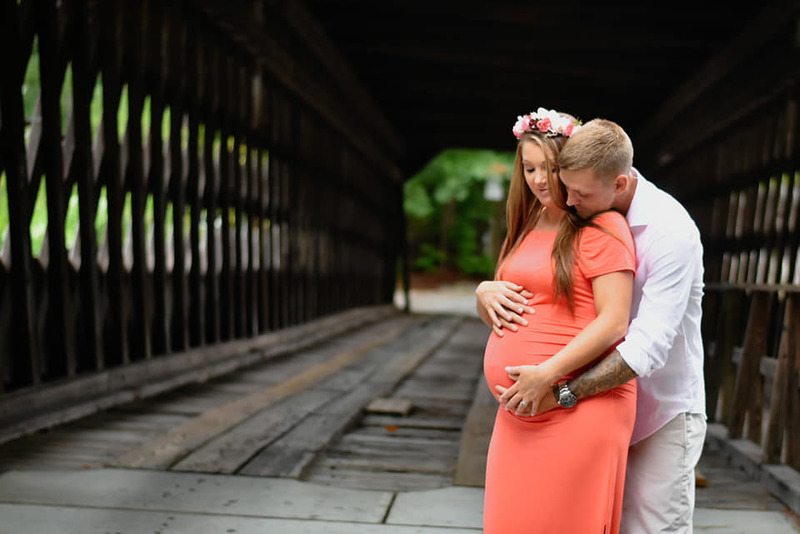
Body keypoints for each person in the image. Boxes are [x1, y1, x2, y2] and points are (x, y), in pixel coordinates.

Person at [494, 118, 707, 533]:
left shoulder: (670, 233)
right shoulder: (591, 207)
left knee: (651, 528)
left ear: (621, 185)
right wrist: (488, 294)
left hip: (659, 411)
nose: (568, 201)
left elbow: (644, 346)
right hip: (590, 408)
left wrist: (560, 390)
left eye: (579, 193)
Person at [478, 108, 638, 533]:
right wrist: (483, 294)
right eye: (528, 167)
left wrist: (546, 375)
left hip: (579, 404)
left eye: (549, 167)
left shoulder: (602, 226)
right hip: (520, 410)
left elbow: (614, 322)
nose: (538, 179)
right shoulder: (526, 221)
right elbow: (510, 299)